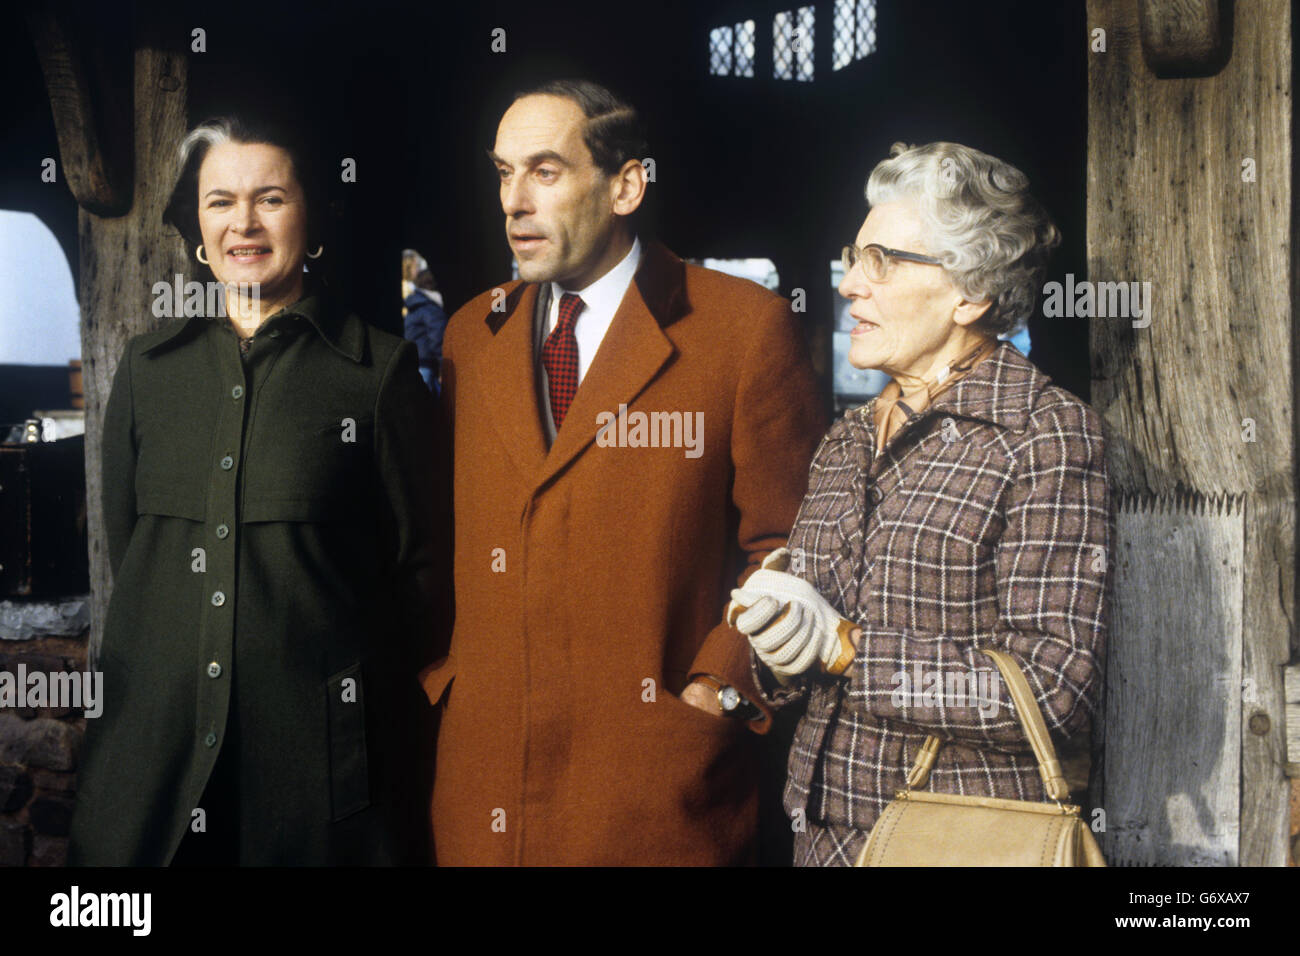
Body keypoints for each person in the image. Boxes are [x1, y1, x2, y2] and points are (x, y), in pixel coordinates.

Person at [422, 79, 826, 865]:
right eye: (502, 173)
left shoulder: (743, 330)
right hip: (484, 789)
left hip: (656, 792)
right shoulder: (472, 332)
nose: (513, 200)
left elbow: (798, 542)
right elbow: (438, 532)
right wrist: (449, 675)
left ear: (627, 185)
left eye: (544, 171)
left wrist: (719, 691)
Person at [67, 114, 443, 865]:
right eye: (220, 202)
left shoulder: (380, 375)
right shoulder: (148, 371)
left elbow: (422, 580)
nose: (244, 222)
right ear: (196, 230)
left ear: (312, 217)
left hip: (314, 781)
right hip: (154, 764)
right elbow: (130, 548)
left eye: (271, 198)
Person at [728, 142, 1111, 866]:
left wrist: (848, 650)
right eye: (854, 255)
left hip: (955, 842)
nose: (849, 285)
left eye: (883, 260)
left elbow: (1056, 687)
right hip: (820, 842)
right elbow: (810, 651)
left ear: (970, 294)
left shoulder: (1044, 435)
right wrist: (778, 641)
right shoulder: (847, 440)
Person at [402, 264, 449, 393]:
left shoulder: (415, 306)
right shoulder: (430, 308)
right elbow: (438, 339)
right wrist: (444, 367)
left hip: (417, 364)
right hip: (428, 366)